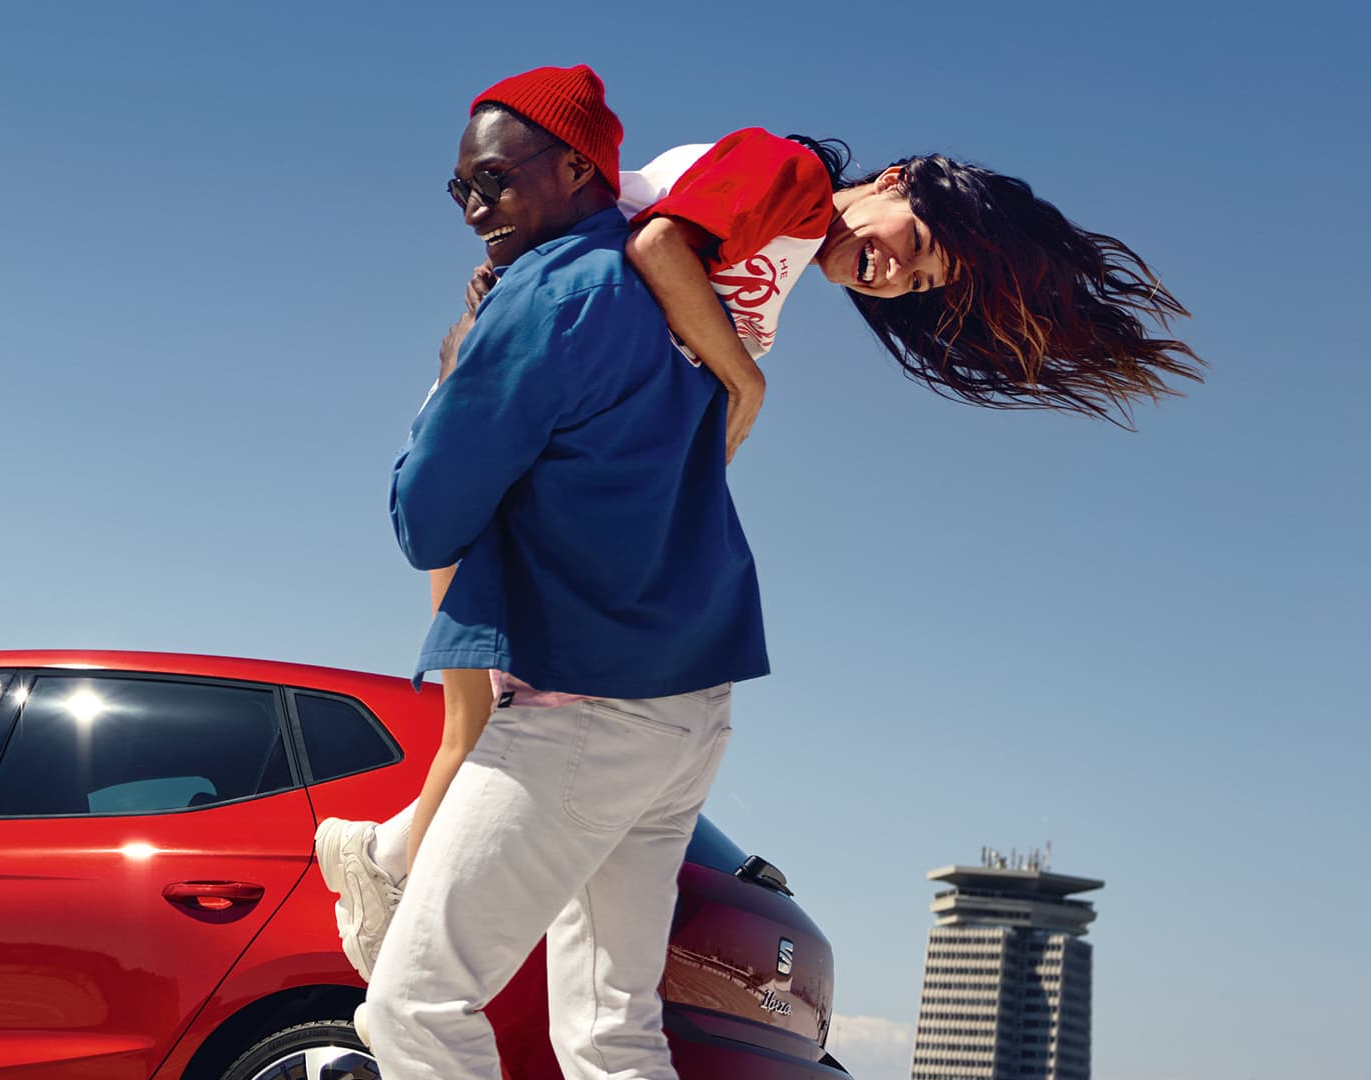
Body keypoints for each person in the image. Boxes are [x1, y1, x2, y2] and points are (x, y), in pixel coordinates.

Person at [313, 102, 1195, 983]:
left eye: (919, 284)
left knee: (474, 722)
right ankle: (390, 920)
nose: (896, 274)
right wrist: (744, 375)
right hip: (501, 440)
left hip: (541, 466)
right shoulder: (788, 174)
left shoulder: (787, 254)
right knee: (475, 723)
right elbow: (655, 247)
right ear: (893, 181)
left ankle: (383, 884)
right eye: (916, 242)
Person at [348, 66, 772, 1080]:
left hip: (579, 713)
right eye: (463, 185)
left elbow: (425, 514)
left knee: (413, 997)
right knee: (609, 1024)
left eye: (501, 176)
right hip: (689, 706)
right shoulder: (660, 289)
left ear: (585, 173)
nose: (476, 204)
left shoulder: (546, 296)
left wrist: (455, 364)